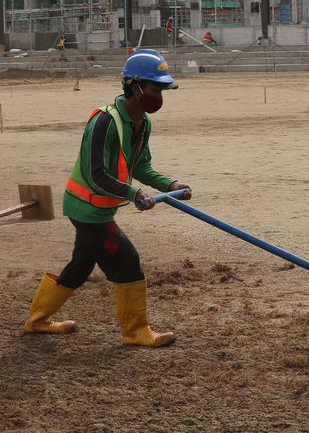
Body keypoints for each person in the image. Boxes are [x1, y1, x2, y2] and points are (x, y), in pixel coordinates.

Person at [22, 51, 192, 347]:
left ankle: (37, 321)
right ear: (136, 88)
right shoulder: (104, 122)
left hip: (100, 207)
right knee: (127, 261)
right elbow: (95, 173)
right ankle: (136, 331)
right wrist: (134, 193)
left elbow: (141, 166)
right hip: (86, 207)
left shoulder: (142, 123)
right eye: (155, 89)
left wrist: (171, 183)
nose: (160, 96)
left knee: (80, 265)